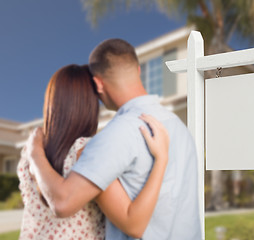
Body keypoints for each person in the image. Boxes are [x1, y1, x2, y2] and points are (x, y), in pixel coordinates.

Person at [27, 39, 202, 239]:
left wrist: (34, 153)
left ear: (98, 84)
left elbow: (63, 203)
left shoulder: (116, 134)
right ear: (137, 70)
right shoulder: (178, 127)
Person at [19, 64, 170, 239]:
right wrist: (161, 158)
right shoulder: (86, 151)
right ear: (90, 105)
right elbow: (133, 224)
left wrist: (34, 153)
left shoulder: (31, 151)